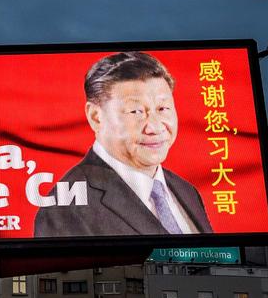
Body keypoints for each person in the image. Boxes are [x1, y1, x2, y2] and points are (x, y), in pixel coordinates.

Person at [34, 51, 214, 237]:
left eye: (162, 108)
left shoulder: (185, 190)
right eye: (135, 111)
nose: (154, 127)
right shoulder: (64, 209)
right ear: (96, 117)